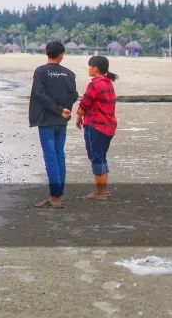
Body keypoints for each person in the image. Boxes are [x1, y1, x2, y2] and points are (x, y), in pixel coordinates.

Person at [29, 41, 78, 208]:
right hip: (62, 120)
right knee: (59, 155)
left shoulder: (41, 71)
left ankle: (55, 197)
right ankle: (58, 195)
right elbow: (74, 95)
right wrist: (65, 109)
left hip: (47, 120)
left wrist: (58, 109)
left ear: (46, 52)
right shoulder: (69, 73)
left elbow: (39, 94)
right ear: (61, 55)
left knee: (51, 156)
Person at [76, 55, 118, 200]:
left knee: (96, 157)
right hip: (108, 126)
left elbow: (84, 103)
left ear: (96, 68)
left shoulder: (95, 84)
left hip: (96, 126)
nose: (89, 69)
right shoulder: (108, 83)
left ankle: (100, 192)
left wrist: (78, 117)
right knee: (101, 157)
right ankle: (103, 190)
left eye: (90, 66)